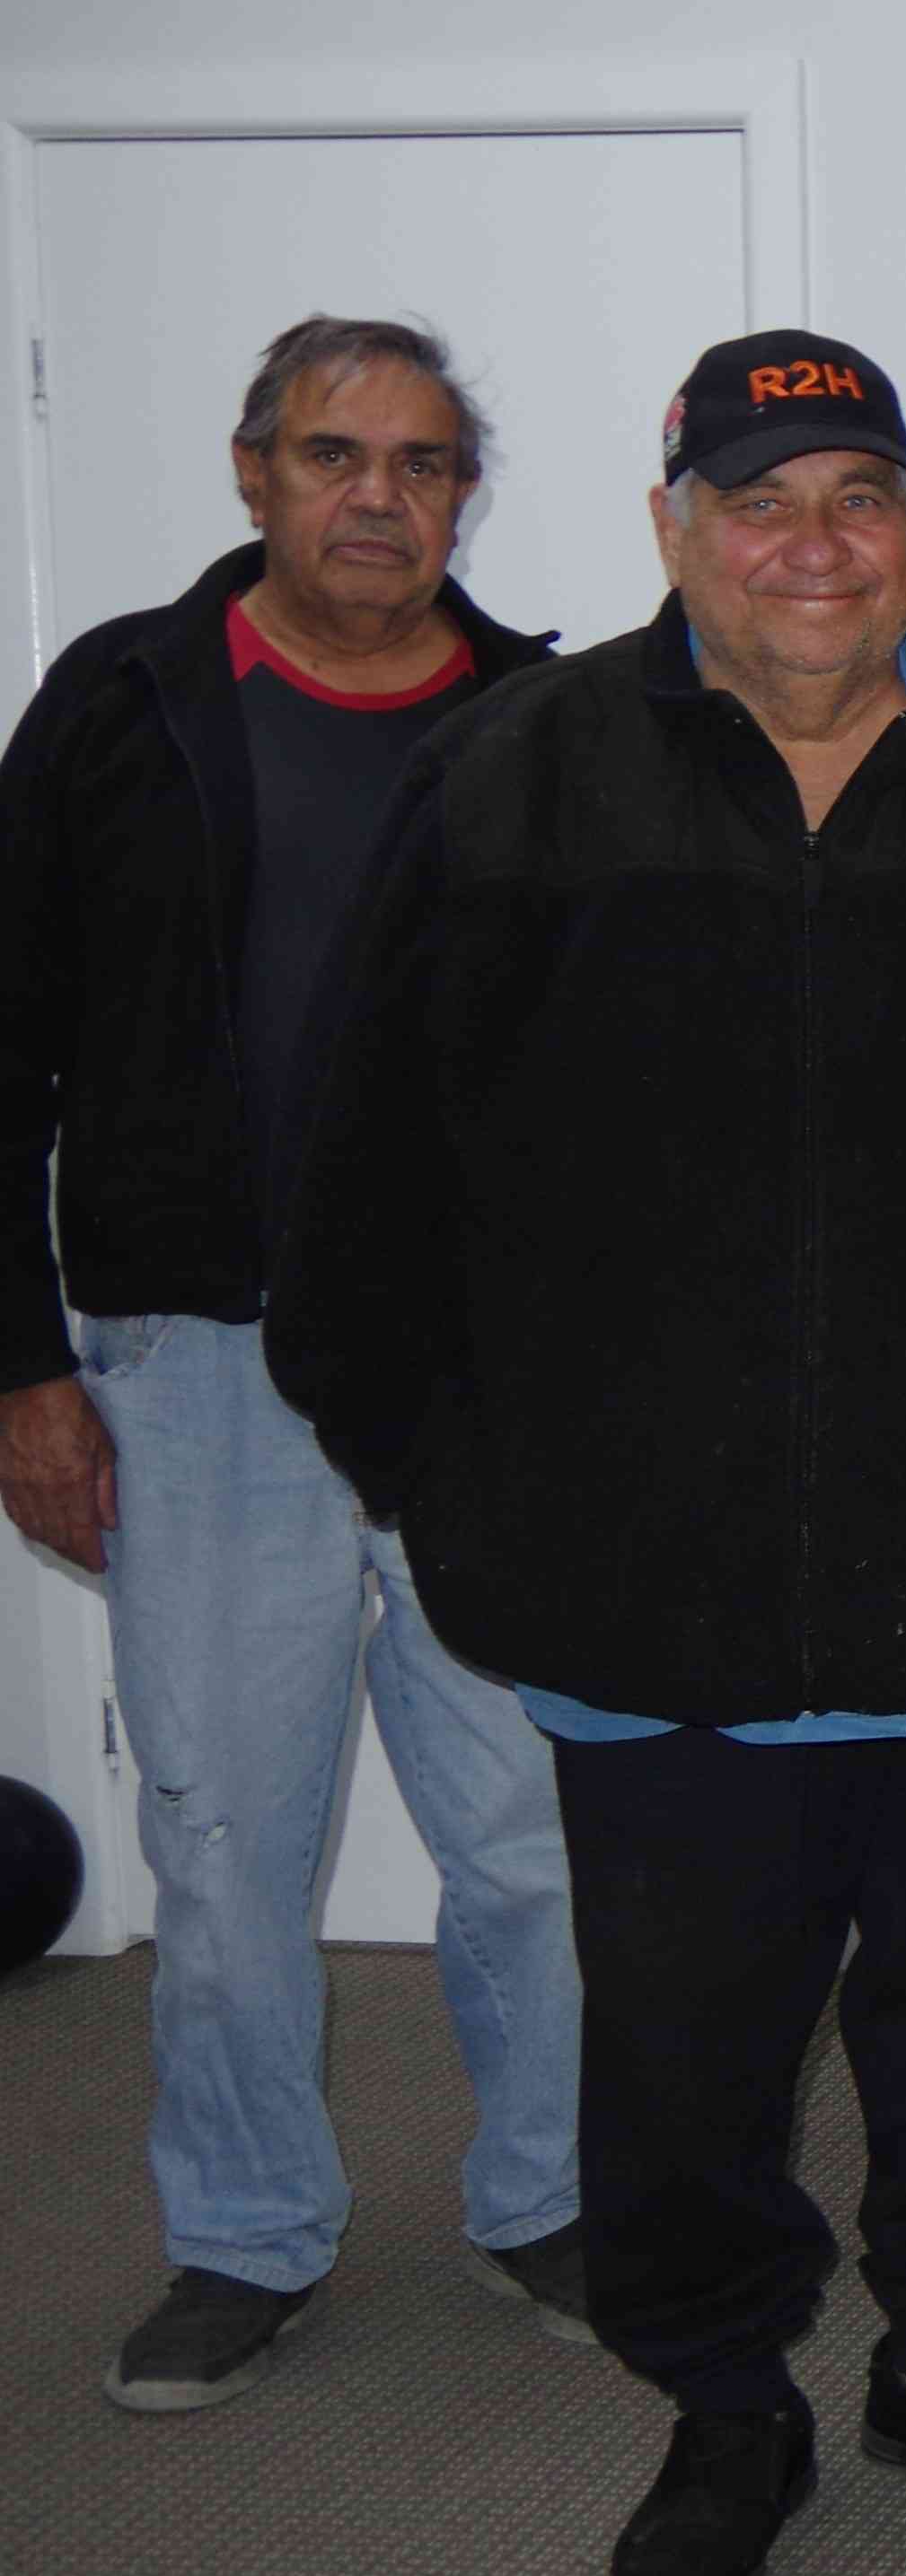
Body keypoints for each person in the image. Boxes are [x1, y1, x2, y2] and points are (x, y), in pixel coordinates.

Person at [265, 329, 906, 2576]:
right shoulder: (513, 784)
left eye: (862, 498)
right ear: (677, 526)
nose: (816, 545)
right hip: (643, 1589)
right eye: (763, 499)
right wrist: (459, 1482)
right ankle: (726, 2403)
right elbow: (362, 1177)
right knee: (685, 2050)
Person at [0, 315, 577, 2414]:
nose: (377, 497)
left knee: (526, 1824)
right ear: (253, 472)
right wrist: (22, 1368)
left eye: (423, 464)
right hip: (199, 1363)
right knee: (229, 1837)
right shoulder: (122, 712)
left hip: (475, 1373)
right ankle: (243, 2236)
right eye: (335, 453)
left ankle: (552, 2197)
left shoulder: (545, 721)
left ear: (463, 497)